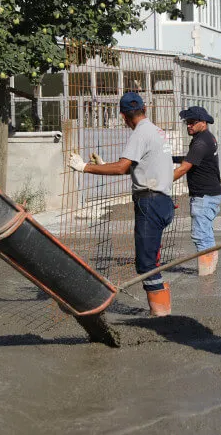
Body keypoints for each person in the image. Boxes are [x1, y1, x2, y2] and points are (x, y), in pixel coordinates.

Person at [68, 92, 175, 317]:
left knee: (146, 264)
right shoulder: (156, 131)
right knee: (152, 258)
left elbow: (121, 168)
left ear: (124, 116)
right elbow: (132, 166)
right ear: (144, 109)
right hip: (164, 202)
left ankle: (162, 316)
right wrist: (106, 165)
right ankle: (162, 309)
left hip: (150, 202)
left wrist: (84, 167)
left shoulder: (140, 133)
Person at [173, 106, 221, 276]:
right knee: (206, 235)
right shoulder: (205, 138)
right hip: (210, 194)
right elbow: (192, 157)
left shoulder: (201, 141)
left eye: (192, 122)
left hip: (204, 196)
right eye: (187, 122)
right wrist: (170, 158)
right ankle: (210, 270)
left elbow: (184, 168)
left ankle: (206, 277)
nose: (189, 125)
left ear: (203, 122)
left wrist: (162, 184)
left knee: (200, 237)